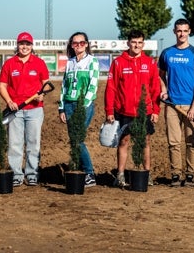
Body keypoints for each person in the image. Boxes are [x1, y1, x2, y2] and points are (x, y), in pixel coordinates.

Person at [105, 30, 161, 187]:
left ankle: (147, 174)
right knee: (123, 141)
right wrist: (109, 111)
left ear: (143, 44)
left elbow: (155, 88)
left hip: (145, 111)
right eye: (134, 42)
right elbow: (111, 88)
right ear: (128, 43)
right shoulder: (118, 63)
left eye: (140, 42)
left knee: (145, 142)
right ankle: (120, 175)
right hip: (123, 111)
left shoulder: (150, 63)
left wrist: (156, 110)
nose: (137, 45)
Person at [158, 18, 194, 187]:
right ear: (174, 32)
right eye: (179, 31)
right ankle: (176, 175)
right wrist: (164, 90)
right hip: (172, 105)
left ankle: (190, 175)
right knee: (173, 142)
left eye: (185, 31)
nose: (182, 34)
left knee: (191, 142)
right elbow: (160, 75)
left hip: (191, 106)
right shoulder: (167, 53)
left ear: (189, 32)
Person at [0, 32, 49, 187]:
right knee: (15, 143)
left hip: (34, 110)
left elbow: (46, 83)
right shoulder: (9, 63)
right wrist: (9, 101)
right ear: (17, 45)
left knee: (33, 142)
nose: (24, 47)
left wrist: (42, 95)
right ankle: (16, 174)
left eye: (27, 44)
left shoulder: (39, 63)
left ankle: (32, 174)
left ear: (31, 46)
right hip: (15, 111)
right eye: (22, 44)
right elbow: (2, 85)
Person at [59, 32, 99, 187]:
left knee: (78, 139)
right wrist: (61, 108)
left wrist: (83, 106)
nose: (78, 46)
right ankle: (78, 171)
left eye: (81, 43)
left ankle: (89, 173)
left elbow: (93, 85)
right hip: (68, 104)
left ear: (87, 44)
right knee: (74, 140)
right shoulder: (69, 63)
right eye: (75, 43)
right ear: (71, 45)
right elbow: (64, 86)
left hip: (84, 105)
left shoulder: (92, 61)